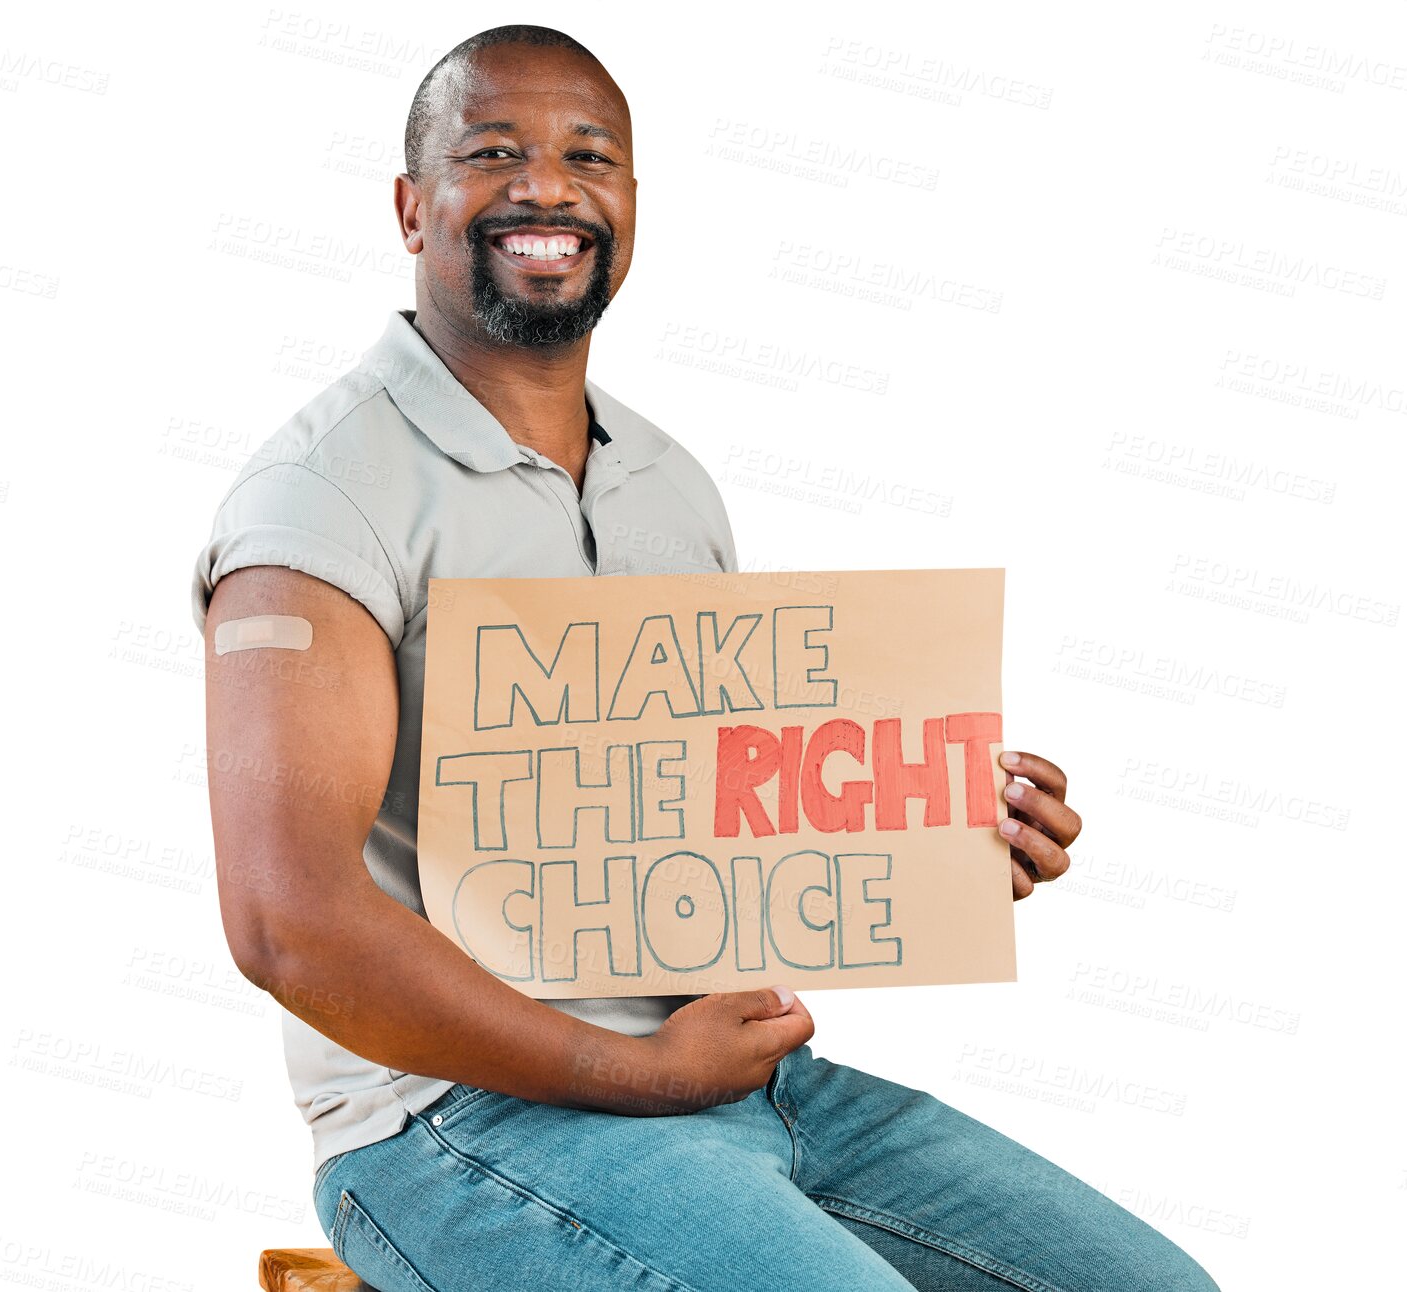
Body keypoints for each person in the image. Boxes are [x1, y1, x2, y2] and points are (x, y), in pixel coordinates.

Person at [189, 24, 1219, 1292]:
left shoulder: (666, 486)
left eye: (590, 156)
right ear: (412, 206)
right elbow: (286, 922)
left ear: (628, 204)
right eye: (493, 150)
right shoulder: (323, 494)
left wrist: (932, 842)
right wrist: (627, 1072)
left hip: (743, 1075)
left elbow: (701, 818)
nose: (547, 186)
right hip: (451, 1122)